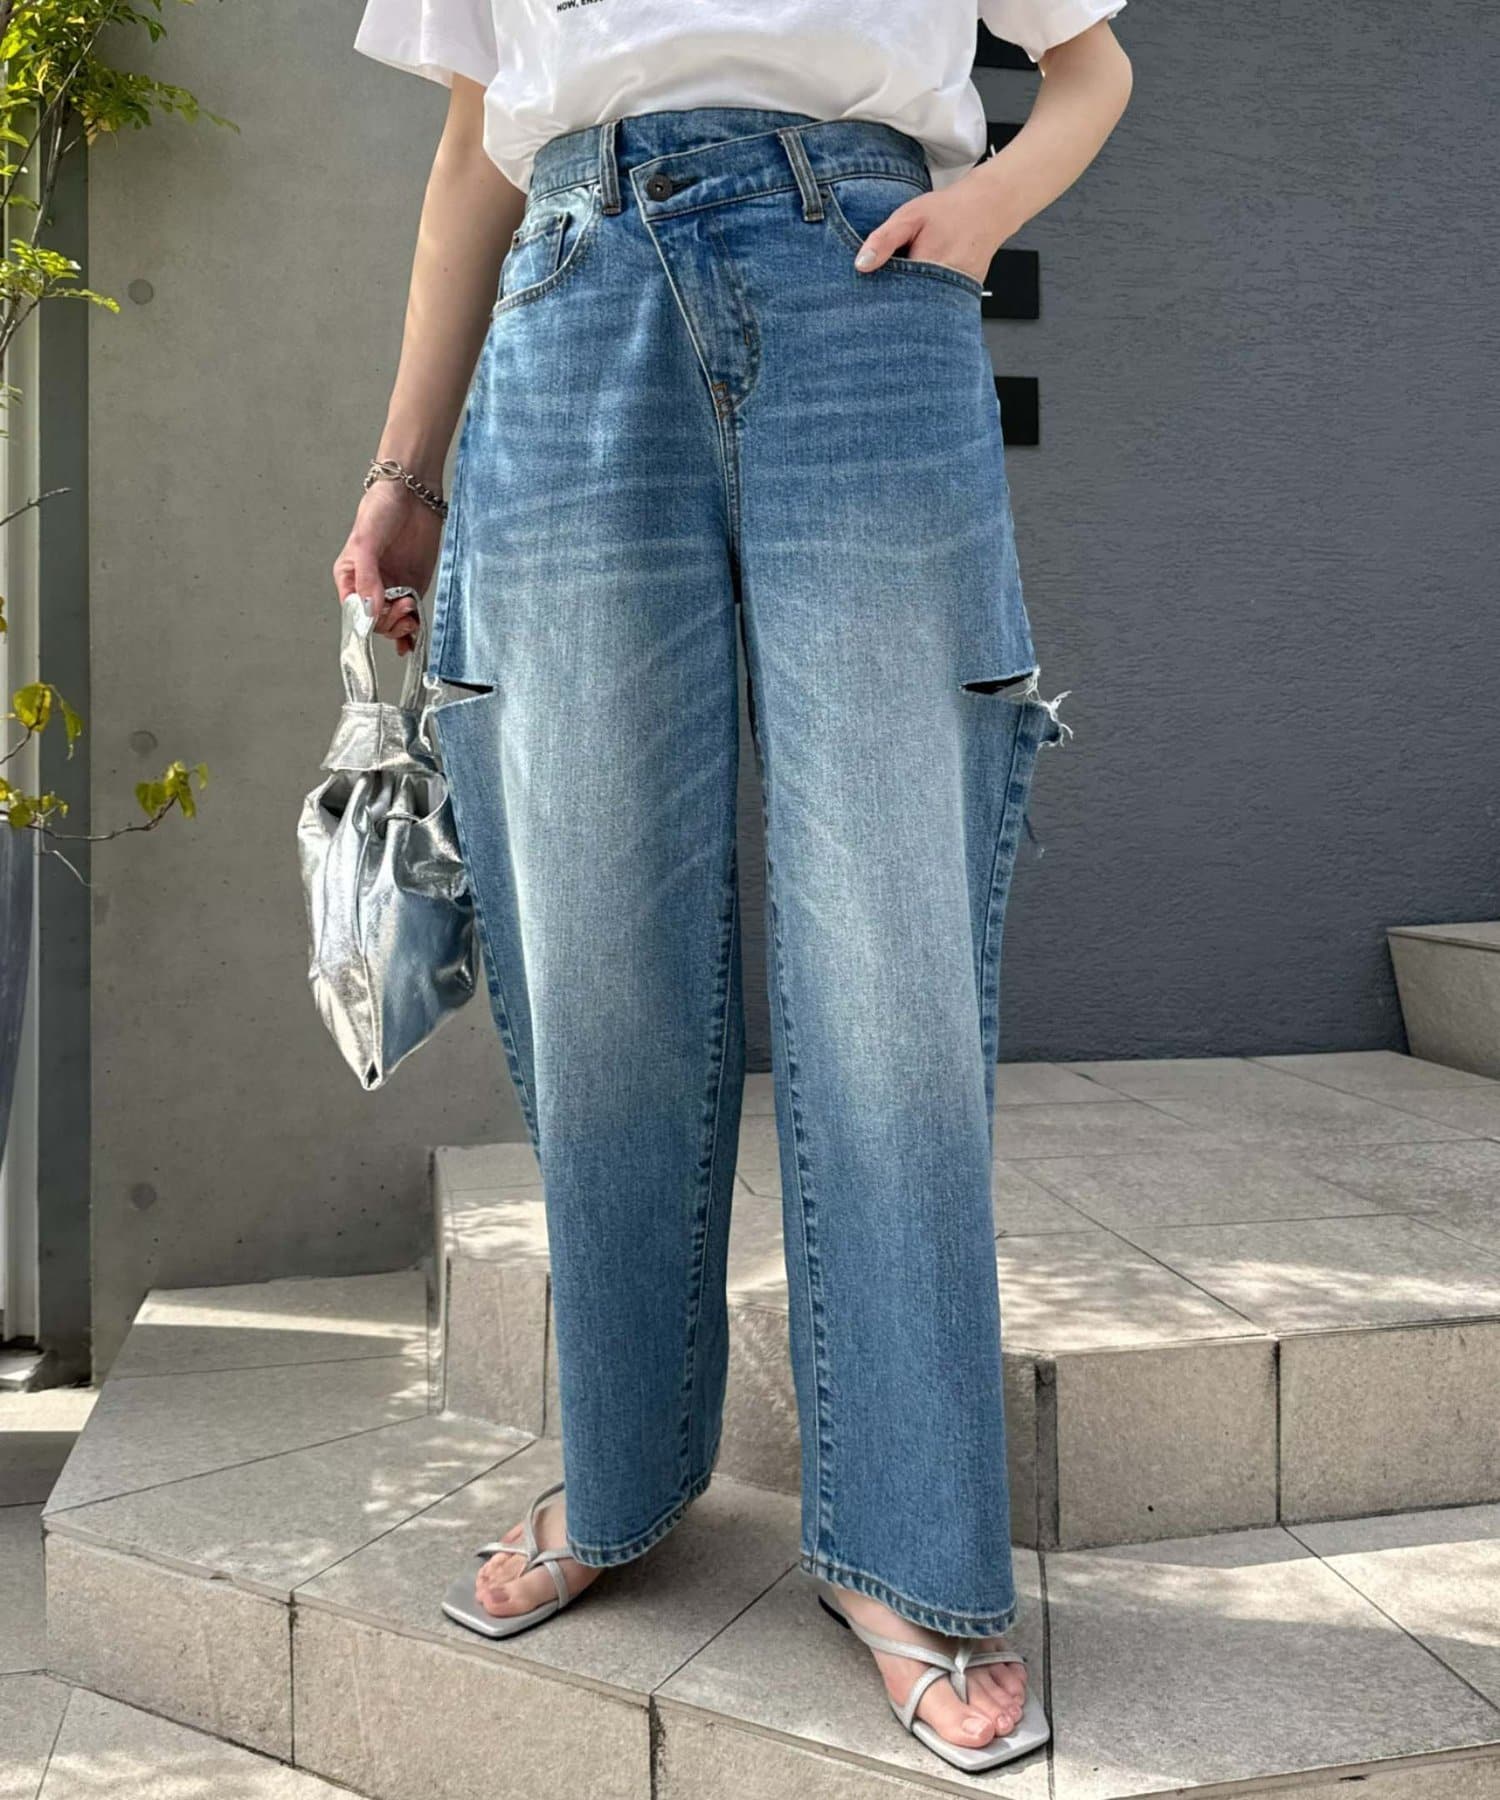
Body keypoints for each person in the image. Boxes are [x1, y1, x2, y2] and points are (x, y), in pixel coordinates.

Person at [335, 0, 1131, 1774]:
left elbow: (1092, 66)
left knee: (889, 963)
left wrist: (985, 211)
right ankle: (622, 1478)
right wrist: (405, 470)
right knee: (598, 961)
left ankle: (910, 1552)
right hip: (568, 307)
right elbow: (472, 152)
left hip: (861, 289)